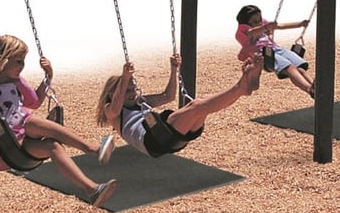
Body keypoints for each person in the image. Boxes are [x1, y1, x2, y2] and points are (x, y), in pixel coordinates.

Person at [0, 34, 117, 207]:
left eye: (23, 61)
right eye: (18, 61)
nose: (22, 66)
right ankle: (94, 148)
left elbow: (34, 102)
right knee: (31, 120)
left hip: (24, 139)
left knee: (53, 146)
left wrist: (48, 76)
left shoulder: (17, 81)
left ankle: (93, 190)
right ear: (2, 59)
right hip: (6, 144)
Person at [95, 53, 263, 158]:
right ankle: (241, 88)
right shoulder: (112, 112)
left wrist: (174, 69)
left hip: (169, 135)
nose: (132, 91)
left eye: (132, 87)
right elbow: (116, 107)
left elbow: (168, 96)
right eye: (126, 89)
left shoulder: (141, 101)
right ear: (112, 94)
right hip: (152, 139)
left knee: (203, 104)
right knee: (196, 106)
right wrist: (124, 78)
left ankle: (243, 85)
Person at [235, 4, 314, 98]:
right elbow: (252, 32)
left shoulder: (263, 24)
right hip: (264, 53)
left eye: (260, 19)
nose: (259, 22)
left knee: (300, 68)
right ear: (246, 23)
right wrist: (265, 28)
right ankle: (309, 89)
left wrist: (300, 24)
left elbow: (280, 26)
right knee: (290, 68)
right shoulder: (244, 31)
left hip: (277, 49)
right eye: (254, 21)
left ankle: (314, 86)